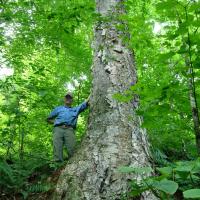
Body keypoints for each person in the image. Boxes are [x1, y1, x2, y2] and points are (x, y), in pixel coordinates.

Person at [47, 92, 90, 162]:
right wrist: (56, 122)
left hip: (69, 129)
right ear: (64, 99)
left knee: (72, 148)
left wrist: (91, 94)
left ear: (72, 100)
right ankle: (57, 164)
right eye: (67, 97)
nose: (68, 99)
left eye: (70, 98)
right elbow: (48, 119)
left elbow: (85, 103)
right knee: (57, 146)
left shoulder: (75, 109)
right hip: (58, 129)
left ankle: (72, 162)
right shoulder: (58, 109)